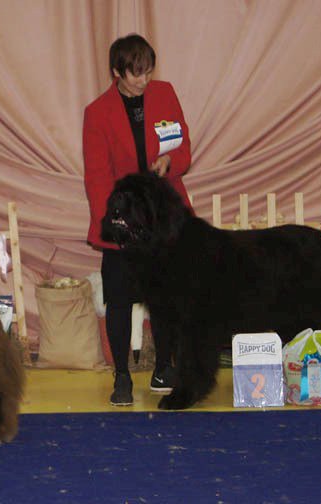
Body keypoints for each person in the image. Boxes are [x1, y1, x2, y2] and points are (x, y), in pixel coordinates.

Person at [82, 34, 193, 406]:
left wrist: (170, 163)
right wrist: (112, 222)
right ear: (117, 72)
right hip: (127, 222)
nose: (145, 80)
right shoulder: (97, 113)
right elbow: (97, 176)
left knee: (167, 296)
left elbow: (183, 148)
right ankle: (122, 377)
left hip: (165, 218)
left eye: (148, 71)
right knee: (119, 299)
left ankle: (165, 366)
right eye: (136, 74)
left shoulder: (165, 94)